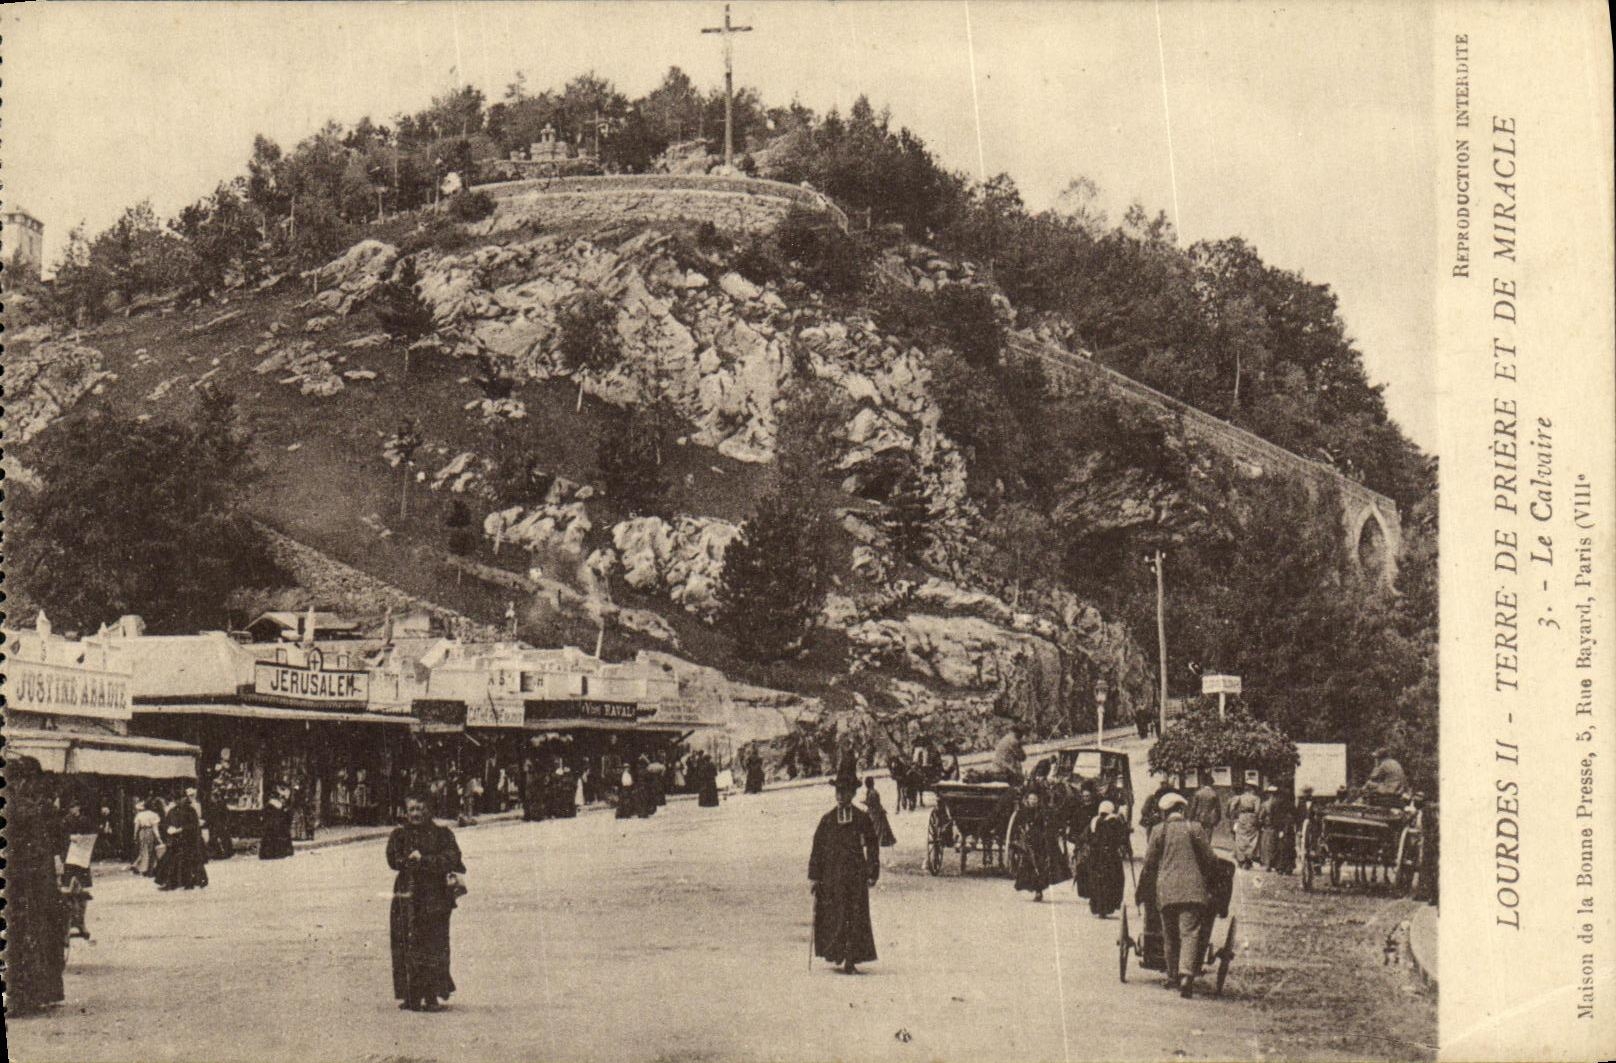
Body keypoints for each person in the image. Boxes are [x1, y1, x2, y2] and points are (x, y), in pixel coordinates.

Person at [387, 792, 466, 1012]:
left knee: (434, 944)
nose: (416, 814)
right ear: (406, 811)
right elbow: (392, 860)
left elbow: (453, 859)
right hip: (407, 896)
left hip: (435, 897)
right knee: (406, 942)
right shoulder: (399, 835)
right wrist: (406, 861)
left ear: (429, 810)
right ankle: (411, 995)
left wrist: (425, 861)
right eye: (412, 809)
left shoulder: (442, 834)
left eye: (420, 809)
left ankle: (431, 995)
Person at [3, 756, 69, 1014]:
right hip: (31, 885)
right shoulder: (30, 808)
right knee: (34, 935)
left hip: (26, 884)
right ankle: (31, 995)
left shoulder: (27, 807)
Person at [1137, 791, 1220, 998]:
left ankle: (1172, 977)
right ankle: (1186, 975)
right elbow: (1210, 859)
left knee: (1170, 934)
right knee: (1190, 932)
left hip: (1166, 891)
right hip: (1193, 891)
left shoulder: (1158, 831)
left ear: (1165, 813)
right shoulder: (1195, 828)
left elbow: (1149, 864)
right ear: (1182, 810)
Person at [809, 765, 881, 974]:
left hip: (856, 876)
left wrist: (872, 871)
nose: (840, 796)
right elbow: (817, 849)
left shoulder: (861, 818)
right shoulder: (828, 820)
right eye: (838, 792)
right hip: (832, 877)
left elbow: (872, 845)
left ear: (852, 793)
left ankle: (851, 958)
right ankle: (837, 954)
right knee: (836, 915)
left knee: (855, 915)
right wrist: (815, 877)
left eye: (845, 792)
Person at [1012, 779, 1071, 902]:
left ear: (1038, 800)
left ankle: (1039, 891)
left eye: (1035, 799)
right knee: (1029, 867)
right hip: (1027, 843)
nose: (1033, 801)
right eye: (1031, 799)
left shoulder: (1042, 812)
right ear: (1027, 799)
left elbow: (1048, 825)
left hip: (1039, 842)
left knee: (1040, 866)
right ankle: (1033, 889)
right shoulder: (1022, 812)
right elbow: (1017, 825)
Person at [158, 787, 208, 890]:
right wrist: (168, 829)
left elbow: (194, 825)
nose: (179, 801)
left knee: (190, 861)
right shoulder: (172, 811)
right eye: (176, 800)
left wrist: (182, 829)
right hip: (176, 840)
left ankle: (192, 882)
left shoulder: (190, 810)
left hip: (189, 840)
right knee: (172, 862)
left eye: (180, 799)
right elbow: (165, 823)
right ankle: (172, 883)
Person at [1085, 801, 1129, 918]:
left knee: (1097, 881)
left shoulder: (1094, 822)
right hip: (1111, 857)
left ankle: (1098, 907)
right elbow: (1122, 838)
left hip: (1096, 857)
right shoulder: (1115, 821)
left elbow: (1087, 837)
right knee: (1113, 880)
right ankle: (1108, 906)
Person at [1229, 780, 1261, 869]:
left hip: (1242, 817)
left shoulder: (1240, 797)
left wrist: (1235, 817)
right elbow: (1257, 811)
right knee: (1251, 839)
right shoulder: (1256, 798)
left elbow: (1232, 808)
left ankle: (1241, 859)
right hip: (1251, 818)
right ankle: (1248, 859)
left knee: (1240, 838)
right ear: (1253, 789)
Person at [1259, 784, 1291, 871]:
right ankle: (1276, 865)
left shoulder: (1265, 804)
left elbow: (1261, 816)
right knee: (1277, 846)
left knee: (1268, 845)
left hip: (1269, 826)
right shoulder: (1280, 802)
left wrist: (1262, 824)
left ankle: (1268, 865)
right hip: (1277, 826)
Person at [260, 783, 296, 860]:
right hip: (276, 823)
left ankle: (270, 853)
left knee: (272, 835)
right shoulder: (277, 804)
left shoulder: (271, 804)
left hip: (273, 823)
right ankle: (278, 852)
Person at [131, 798, 163, 875]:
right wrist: (159, 838)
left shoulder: (139, 815)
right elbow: (155, 828)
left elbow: (136, 826)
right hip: (150, 831)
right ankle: (149, 869)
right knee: (150, 851)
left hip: (142, 832)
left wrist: (135, 835)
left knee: (142, 849)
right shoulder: (154, 815)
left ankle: (141, 867)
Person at [863, 777, 897, 847]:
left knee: (875, 827)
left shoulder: (872, 792)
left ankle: (876, 841)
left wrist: (865, 802)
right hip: (875, 810)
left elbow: (872, 803)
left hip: (874, 811)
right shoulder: (872, 791)